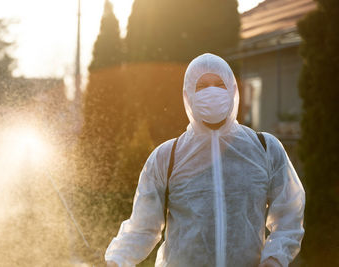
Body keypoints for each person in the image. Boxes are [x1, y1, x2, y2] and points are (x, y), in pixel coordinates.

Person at [105, 53, 305, 267]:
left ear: (233, 90)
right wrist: (118, 260)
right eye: (202, 86)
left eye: (220, 84)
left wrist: (274, 259)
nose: (212, 91)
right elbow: (143, 228)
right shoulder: (167, 157)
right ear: (188, 95)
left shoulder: (265, 149)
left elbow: (289, 215)